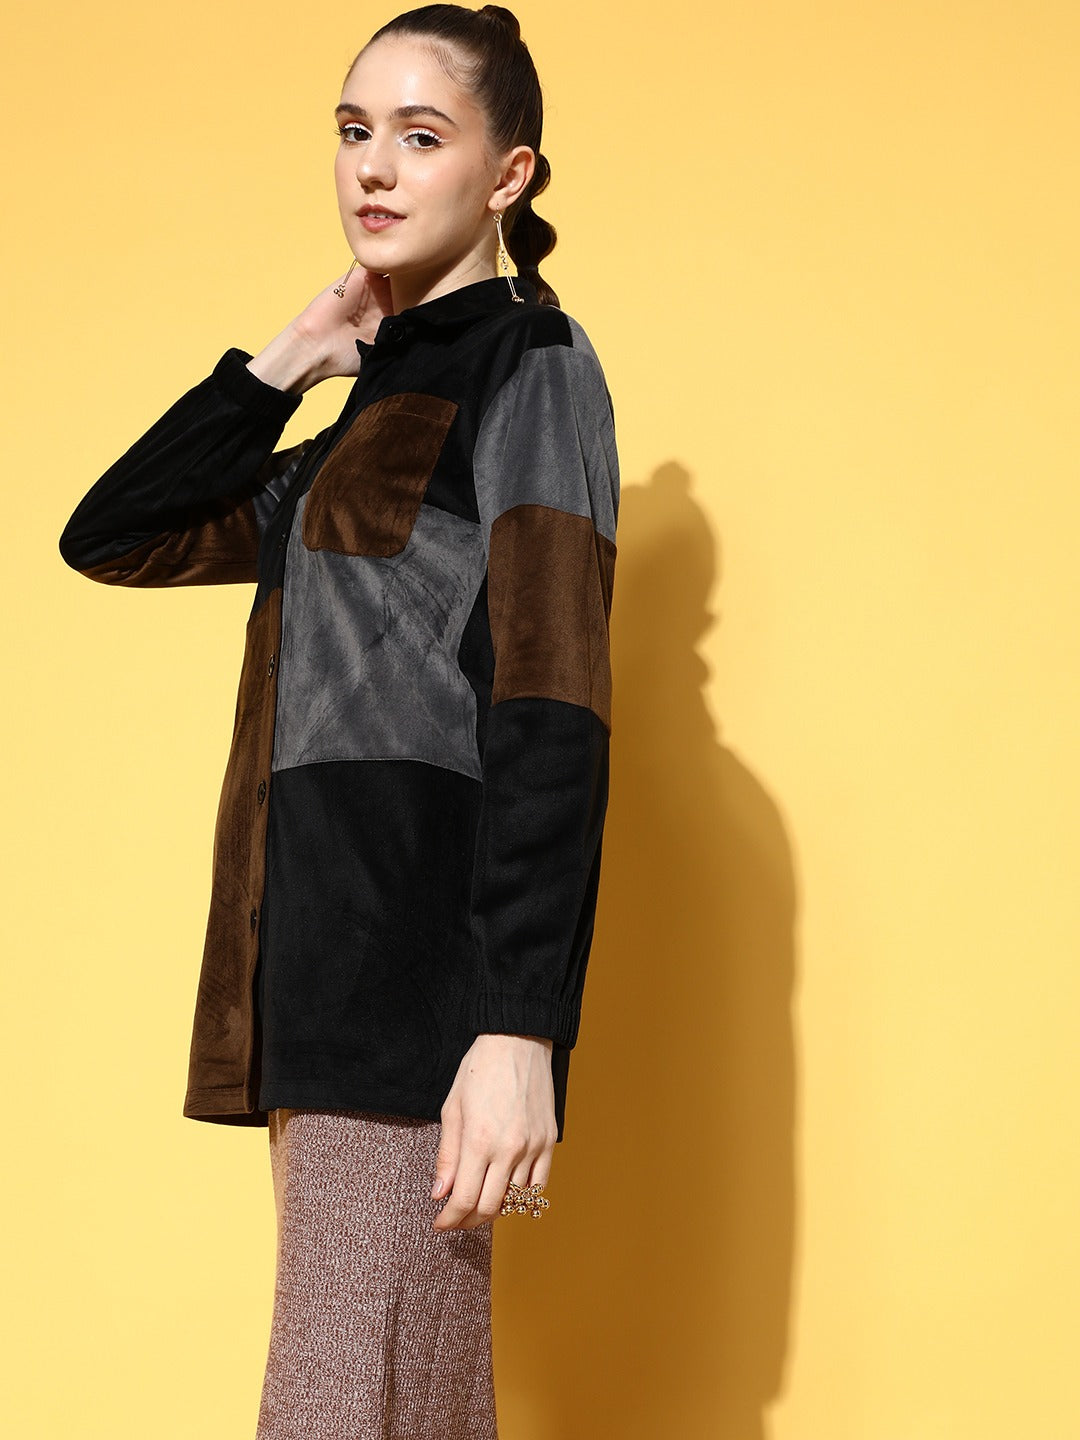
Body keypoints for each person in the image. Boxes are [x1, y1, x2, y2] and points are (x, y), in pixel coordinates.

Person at [57, 4, 619, 1435]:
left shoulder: (532, 366)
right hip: (318, 986)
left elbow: (553, 703)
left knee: (342, 1409)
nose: (373, 166)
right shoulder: (357, 425)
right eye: (356, 131)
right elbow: (113, 536)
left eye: (421, 136)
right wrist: (286, 360)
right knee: (390, 1410)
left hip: (413, 994)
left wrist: (518, 1030)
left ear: (508, 175)